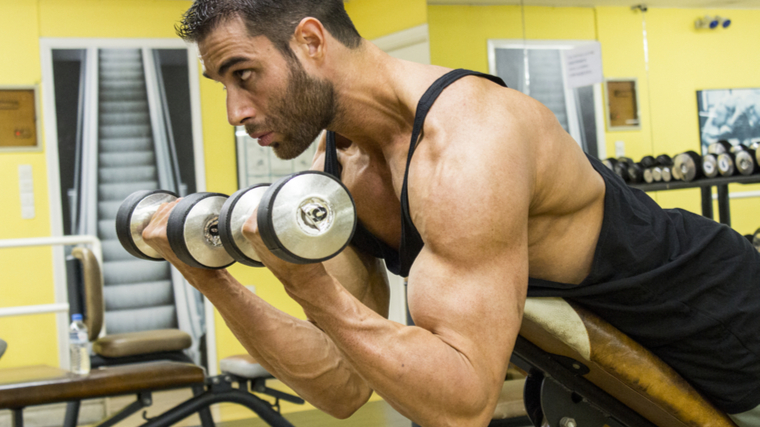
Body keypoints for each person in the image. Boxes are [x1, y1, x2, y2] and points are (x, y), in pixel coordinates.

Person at [142, 1, 760, 425]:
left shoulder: (469, 140)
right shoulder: (341, 170)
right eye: (223, 85)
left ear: (310, 41)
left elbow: (461, 406)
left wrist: (305, 282)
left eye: (243, 75)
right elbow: (340, 385)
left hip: (727, 330)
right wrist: (208, 277)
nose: (235, 111)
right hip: (610, 376)